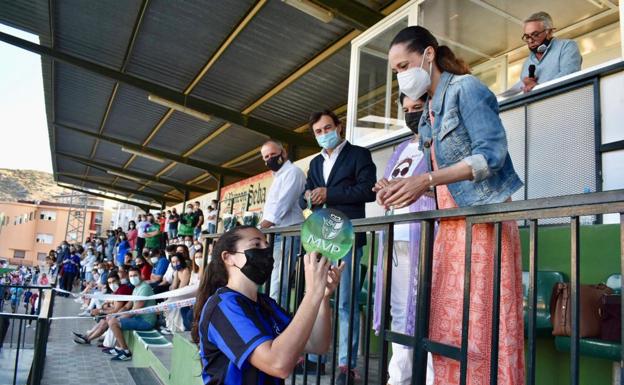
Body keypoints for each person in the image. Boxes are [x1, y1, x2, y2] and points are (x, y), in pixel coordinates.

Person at [377, 25, 524, 385]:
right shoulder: (429, 112)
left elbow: (491, 155)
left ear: (428, 55)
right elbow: (445, 183)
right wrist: (402, 189)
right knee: (448, 330)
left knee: (485, 327)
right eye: (395, 71)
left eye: (403, 66)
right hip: (450, 230)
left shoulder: (466, 89)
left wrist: (424, 180)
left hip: (482, 226)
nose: (401, 76)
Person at [192, 226, 344, 384]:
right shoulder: (223, 306)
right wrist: (312, 293)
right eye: (256, 245)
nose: (266, 251)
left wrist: (323, 297)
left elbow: (317, 344)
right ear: (229, 257)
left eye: (267, 246)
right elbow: (278, 364)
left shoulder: (266, 304)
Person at [300, 109, 377, 381]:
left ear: (339, 126)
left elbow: (368, 190)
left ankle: (347, 365)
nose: (323, 134)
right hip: (320, 239)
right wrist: (309, 200)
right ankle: (313, 357)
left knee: (346, 302)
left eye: (327, 128)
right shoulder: (315, 164)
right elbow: (303, 199)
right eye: (318, 132)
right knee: (316, 298)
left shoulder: (359, 155)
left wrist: (329, 193)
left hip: (348, 238)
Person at [370, 93, 436, 385]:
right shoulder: (400, 148)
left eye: (418, 108)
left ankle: (436, 379)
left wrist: (420, 188)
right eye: (407, 110)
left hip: (427, 238)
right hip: (396, 240)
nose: (412, 115)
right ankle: (398, 380)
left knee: (432, 316)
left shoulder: (440, 143)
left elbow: (449, 190)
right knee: (400, 315)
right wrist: (384, 188)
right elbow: (388, 189)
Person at [259, 139, 306, 305]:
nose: (269, 159)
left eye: (273, 154)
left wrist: (259, 228)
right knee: (273, 279)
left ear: (283, 153)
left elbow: (282, 205)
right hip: (276, 234)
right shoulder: (277, 177)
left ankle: (278, 321)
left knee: (279, 281)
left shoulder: (293, 172)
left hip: (289, 232)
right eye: (266, 157)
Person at [520, 12, 581, 93]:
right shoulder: (526, 63)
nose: (530, 40)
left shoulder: (566, 46)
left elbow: (569, 77)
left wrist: (537, 87)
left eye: (535, 34)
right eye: (527, 37)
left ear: (549, 32)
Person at [106, 266, 157, 361]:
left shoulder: (144, 288)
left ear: (141, 275)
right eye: (131, 276)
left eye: (135, 275)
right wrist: (116, 314)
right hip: (137, 318)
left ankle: (126, 352)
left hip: (145, 321)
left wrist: (118, 318)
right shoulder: (136, 288)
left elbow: (136, 310)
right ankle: (118, 348)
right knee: (113, 319)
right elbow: (127, 306)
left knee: (114, 322)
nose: (133, 278)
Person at [73, 273, 133, 345]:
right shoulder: (118, 289)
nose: (112, 284)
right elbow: (113, 307)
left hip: (126, 314)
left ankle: (87, 339)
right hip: (120, 312)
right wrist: (102, 309)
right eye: (110, 282)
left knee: (104, 322)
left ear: (119, 280)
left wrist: (100, 311)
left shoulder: (122, 290)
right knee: (102, 321)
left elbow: (116, 309)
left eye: (114, 281)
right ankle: (86, 336)